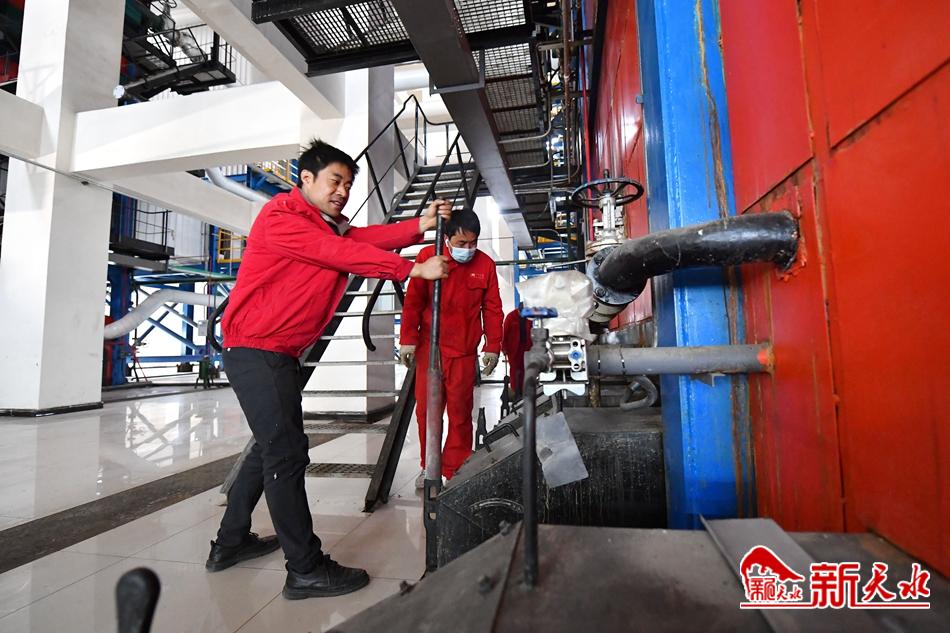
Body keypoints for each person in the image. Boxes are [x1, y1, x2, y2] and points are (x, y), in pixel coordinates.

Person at [206, 140, 450, 600]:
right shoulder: (282, 218)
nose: (343, 191)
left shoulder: (324, 225)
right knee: (286, 454)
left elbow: (359, 240)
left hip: (276, 351)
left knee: (267, 448)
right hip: (258, 349)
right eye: (335, 181)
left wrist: (420, 225)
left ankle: (230, 541)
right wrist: (410, 270)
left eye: (349, 184)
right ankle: (305, 570)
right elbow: (338, 253)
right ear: (306, 179)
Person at [398, 209, 503, 487]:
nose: (467, 249)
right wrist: (407, 339)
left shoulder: (485, 265)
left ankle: (456, 469)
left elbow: (493, 309)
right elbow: (413, 302)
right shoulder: (428, 258)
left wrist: (493, 346)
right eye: (461, 243)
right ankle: (429, 467)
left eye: (473, 243)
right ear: (446, 238)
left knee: (460, 413)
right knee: (427, 412)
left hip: (464, 353)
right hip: (430, 351)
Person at [501, 303, 532, 399]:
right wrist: (504, 347)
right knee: (514, 369)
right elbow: (504, 333)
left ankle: (522, 390)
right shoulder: (510, 317)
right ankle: (514, 391)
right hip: (513, 348)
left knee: (524, 369)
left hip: (526, 346)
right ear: (518, 310)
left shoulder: (529, 317)